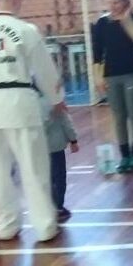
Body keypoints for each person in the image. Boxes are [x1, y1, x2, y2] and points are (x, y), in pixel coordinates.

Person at [0, 0, 64, 242]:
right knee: (34, 168)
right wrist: (56, 97)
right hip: (20, 101)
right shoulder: (25, 30)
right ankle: (44, 225)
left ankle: (7, 225)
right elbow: (45, 70)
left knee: (0, 171)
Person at [91, 0, 133, 174]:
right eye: (109, 3)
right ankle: (124, 156)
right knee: (118, 117)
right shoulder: (101, 23)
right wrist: (98, 78)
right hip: (111, 75)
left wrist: (126, 19)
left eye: (116, 2)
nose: (112, 6)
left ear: (125, 2)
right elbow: (97, 53)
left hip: (132, 73)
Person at [39, 88, 79, 222]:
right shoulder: (57, 102)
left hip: (40, 148)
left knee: (47, 178)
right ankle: (59, 207)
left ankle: (49, 206)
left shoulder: (34, 103)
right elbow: (67, 123)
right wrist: (73, 140)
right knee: (60, 178)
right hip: (56, 148)